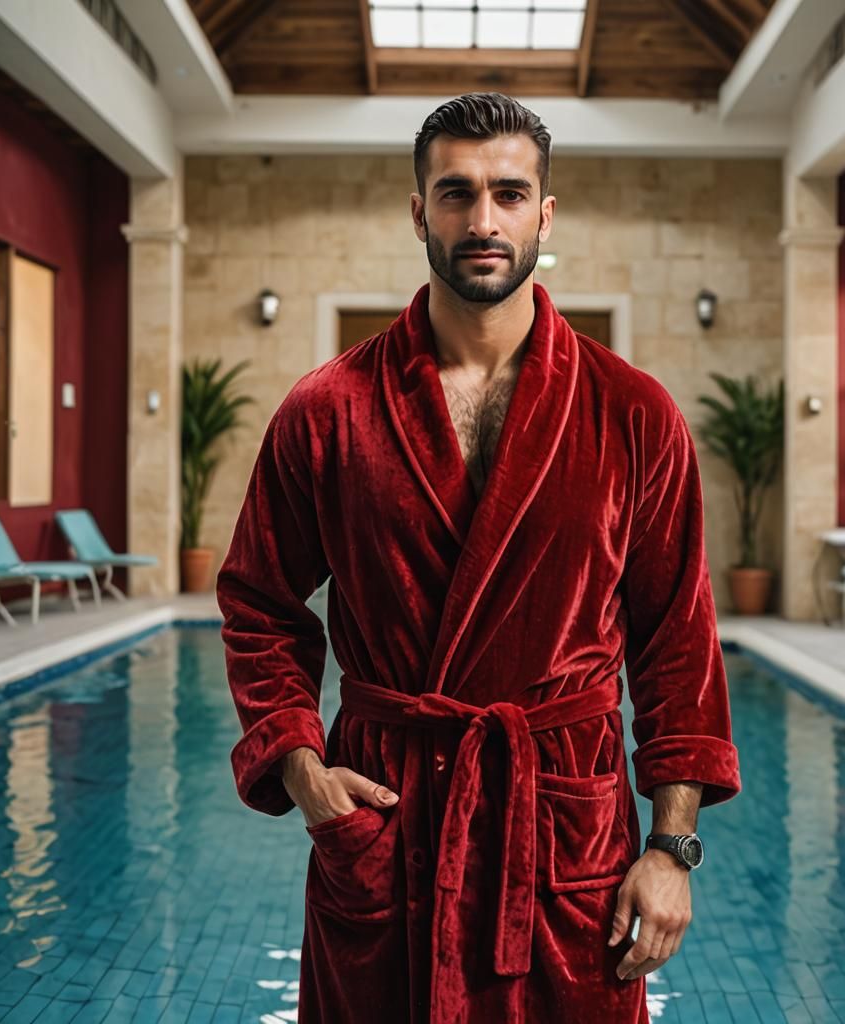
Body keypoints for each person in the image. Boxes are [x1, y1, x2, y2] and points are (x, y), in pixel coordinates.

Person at [217, 92, 740, 1024]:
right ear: (420, 211)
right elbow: (258, 600)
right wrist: (304, 772)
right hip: (390, 817)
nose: (483, 219)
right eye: (456, 193)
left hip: (563, 829)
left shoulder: (634, 413)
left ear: (545, 213)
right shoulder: (329, 409)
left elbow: (677, 644)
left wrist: (672, 849)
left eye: (509, 191)